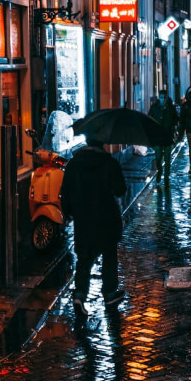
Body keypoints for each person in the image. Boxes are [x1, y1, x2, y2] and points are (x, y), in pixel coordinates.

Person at [61, 134, 127, 317]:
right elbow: (121, 190)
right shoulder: (109, 163)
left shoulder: (73, 164)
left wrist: (68, 212)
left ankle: (80, 295)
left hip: (83, 219)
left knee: (84, 258)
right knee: (109, 256)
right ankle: (109, 293)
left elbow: (65, 191)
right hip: (106, 218)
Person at [148, 89, 179, 183]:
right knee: (158, 157)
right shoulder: (154, 108)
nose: (163, 100)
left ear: (167, 98)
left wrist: (172, 126)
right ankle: (160, 171)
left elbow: (176, 119)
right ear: (159, 98)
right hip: (157, 136)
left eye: (164, 98)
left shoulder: (171, 107)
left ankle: (166, 176)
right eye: (161, 97)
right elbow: (149, 119)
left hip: (168, 135)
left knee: (167, 157)